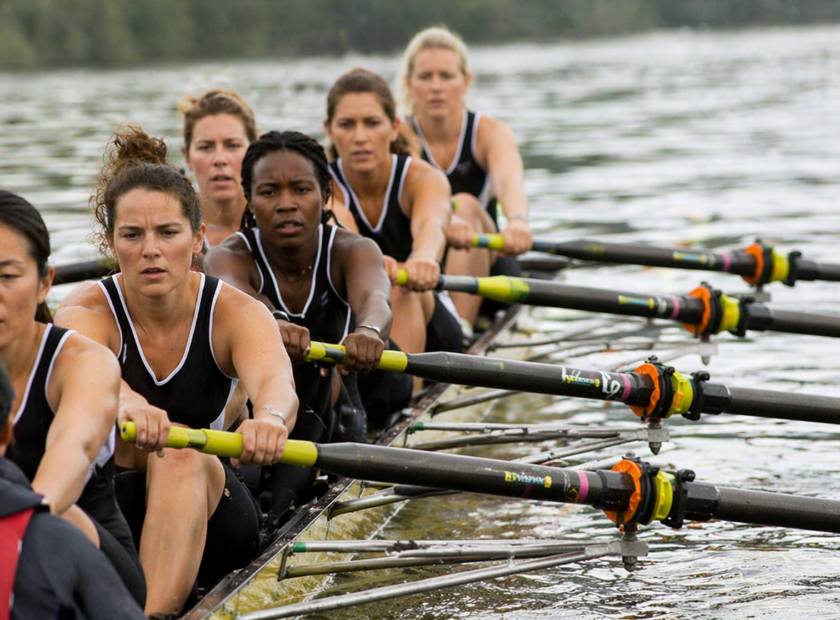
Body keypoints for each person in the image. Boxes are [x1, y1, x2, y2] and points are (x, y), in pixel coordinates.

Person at [54, 126, 298, 617]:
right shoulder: (81, 311)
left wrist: (269, 418)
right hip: (115, 509)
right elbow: (92, 378)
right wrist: (130, 405)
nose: (150, 250)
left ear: (197, 237)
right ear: (110, 241)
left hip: (216, 515)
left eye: (167, 233)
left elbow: (277, 385)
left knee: (179, 450)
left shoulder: (236, 313)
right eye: (132, 235)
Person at [205, 129, 402, 514]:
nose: (285, 204)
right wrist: (273, 322)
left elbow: (375, 299)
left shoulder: (352, 249)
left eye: (300, 190)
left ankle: (280, 507)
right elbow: (241, 296)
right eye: (268, 192)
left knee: (318, 373)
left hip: (338, 412)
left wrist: (368, 332)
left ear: (326, 195)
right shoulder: (226, 257)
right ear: (249, 198)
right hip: (255, 411)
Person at [0, 190, 147, 606]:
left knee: (45, 513)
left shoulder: (83, 362)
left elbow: (73, 447)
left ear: (45, 282)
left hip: (92, 564)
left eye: (7, 277)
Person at [398, 26, 534, 325]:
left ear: (465, 82)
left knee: (466, 205)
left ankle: (457, 333)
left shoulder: (489, 133)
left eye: (446, 76)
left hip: (491, 265)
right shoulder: (399, 135)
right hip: (425, 261)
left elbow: (509, 181)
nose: (436, 87)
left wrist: (517, 222)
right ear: (410, 84)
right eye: (425, 77)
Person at [325, 67, 463, 360]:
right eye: (347, 125)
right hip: (359, 324)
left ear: (395, 127)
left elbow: (432, 225)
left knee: (397, 288)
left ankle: (407, 400)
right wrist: (374, 266)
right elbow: (349, 235)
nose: (360, 136)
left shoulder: (423, 178)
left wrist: (424, 259)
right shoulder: (318, 187)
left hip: (433, 319)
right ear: (329, 130)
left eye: (372, 123)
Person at [0, 356, 147, 620]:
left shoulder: (82, 358)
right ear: (7, 433)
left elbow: (75, 448)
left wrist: (23, 521)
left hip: (92, 549)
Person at [180, 89, 258, 248]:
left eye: (233, 145)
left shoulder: (279, 224)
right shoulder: (173, 232)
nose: (220, 159)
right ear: (187, 157)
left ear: (255, 152)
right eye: (205, 147)